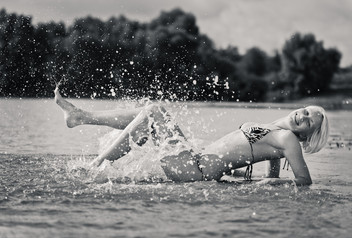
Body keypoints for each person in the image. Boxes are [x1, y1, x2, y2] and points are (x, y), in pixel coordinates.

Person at [54, 86, 329, 186]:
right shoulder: (277, 132)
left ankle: (95, 164)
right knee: (149, 115)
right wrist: (263, 178)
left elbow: (304, 180)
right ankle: (82, 118)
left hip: (194, 170)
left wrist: (265, 185)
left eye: (308, 122)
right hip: (194, 162)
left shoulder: (289, 140)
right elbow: (272, 165)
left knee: (156, 111)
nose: (302, 116)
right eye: (305, 111)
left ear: (306, 136)